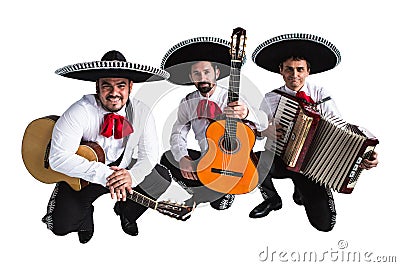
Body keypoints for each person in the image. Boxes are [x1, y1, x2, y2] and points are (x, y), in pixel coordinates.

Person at [41, 50, 191, 243]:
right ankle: (85, 218)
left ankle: (126, 212)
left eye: (121, 85)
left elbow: (150, 156)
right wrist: (105, 175)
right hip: (83, 176)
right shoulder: (80, 111)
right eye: (106, 86)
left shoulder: (141, 111)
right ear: (97, 86)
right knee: (61, 226)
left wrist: (131, 176)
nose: (114, 93)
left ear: (130, 87)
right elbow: (57, 157)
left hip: (123, 170)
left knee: (160, 178)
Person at [249, 33, 379, 231]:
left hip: (311, 167)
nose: (295, 75)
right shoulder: (270, 98)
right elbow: (256, 130)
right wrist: (266, 130)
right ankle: (272, 199)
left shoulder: (321, 95)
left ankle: (301, 190)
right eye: (289, 70)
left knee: (324, 225)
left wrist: (364, 153)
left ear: (308, 71)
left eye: (300, 69)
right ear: (281, 71)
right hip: (281, 159)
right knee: (252, 160)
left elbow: (341, 128)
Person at [159, 37, 267, 209]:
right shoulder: (188, 102)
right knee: (167, 158)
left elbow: (261, 131)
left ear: (216, 73)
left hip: (234, 162)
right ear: (190, 76)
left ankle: (207, 194)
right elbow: (178, 133)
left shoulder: (233, 98)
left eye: (207, 72)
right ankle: (208, 191)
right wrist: (183, 158)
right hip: (206, 161)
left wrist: (246, 113)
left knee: (220, 205)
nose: (202, 78)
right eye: (197, 73)